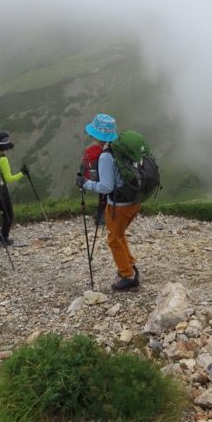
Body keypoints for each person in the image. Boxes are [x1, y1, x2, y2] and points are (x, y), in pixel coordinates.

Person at [75, 114, 141, 292]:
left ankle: (128, 276)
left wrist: (85, 183)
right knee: (119, 234)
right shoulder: (120, 147)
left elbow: (106, 187)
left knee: (114, 240)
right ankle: (131, 265)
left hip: (119, 205)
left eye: (93, 133)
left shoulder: (105, 156)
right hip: (134, 201)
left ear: (98, 135)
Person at [0, 131, 28, 245]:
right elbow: (8, 179)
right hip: (0, 190)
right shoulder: (2, 159)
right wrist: (22, 173)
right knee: (8, 214)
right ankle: (3, 239)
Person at [80, 138, 106, 225]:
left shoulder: (93, 145)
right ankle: (100, 216)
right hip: (100, 173)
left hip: (95, 173)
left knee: (102, 194)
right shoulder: (104, 147)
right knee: (105, 193)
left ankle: (99, 213)